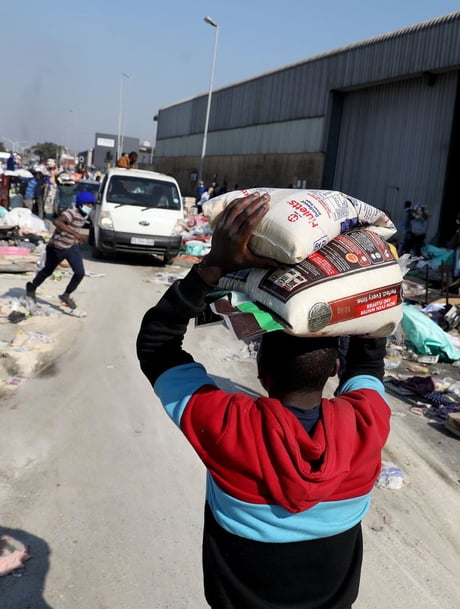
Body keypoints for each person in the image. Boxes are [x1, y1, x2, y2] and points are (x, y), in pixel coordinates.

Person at [136, 192, 391, 609]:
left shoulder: (226, 425)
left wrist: (212, 269)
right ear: (333, 370)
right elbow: (369, 362)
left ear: (260, 371)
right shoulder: (366, 425)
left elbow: (155, 347)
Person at [25, 190, 93, 310]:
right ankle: (32, 287)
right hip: (56, 247)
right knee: (47, 271)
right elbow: (57, 222)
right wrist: (76, 234)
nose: (90, 207)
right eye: (88, 204)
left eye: (92, 204)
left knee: (80, 273)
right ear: (81, 204)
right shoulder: (71, 212)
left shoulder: (85, 215)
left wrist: (78, 238)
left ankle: (66, 295)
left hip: (71, 246)